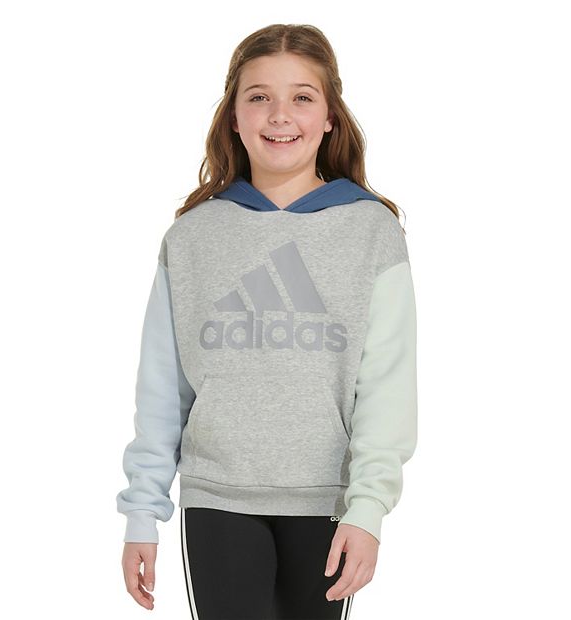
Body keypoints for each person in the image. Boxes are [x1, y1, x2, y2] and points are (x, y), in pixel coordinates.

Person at [116, 23, 418, 620]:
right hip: (217, 500)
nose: (280, 115)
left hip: (327, 503)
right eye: (259, 97)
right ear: (234, 115)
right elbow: (162, 387)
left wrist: (368, 509)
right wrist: (142, 511)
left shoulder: (371, 231)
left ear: (329, 116)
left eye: (302, 97)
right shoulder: (192, 236)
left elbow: (388, 384)